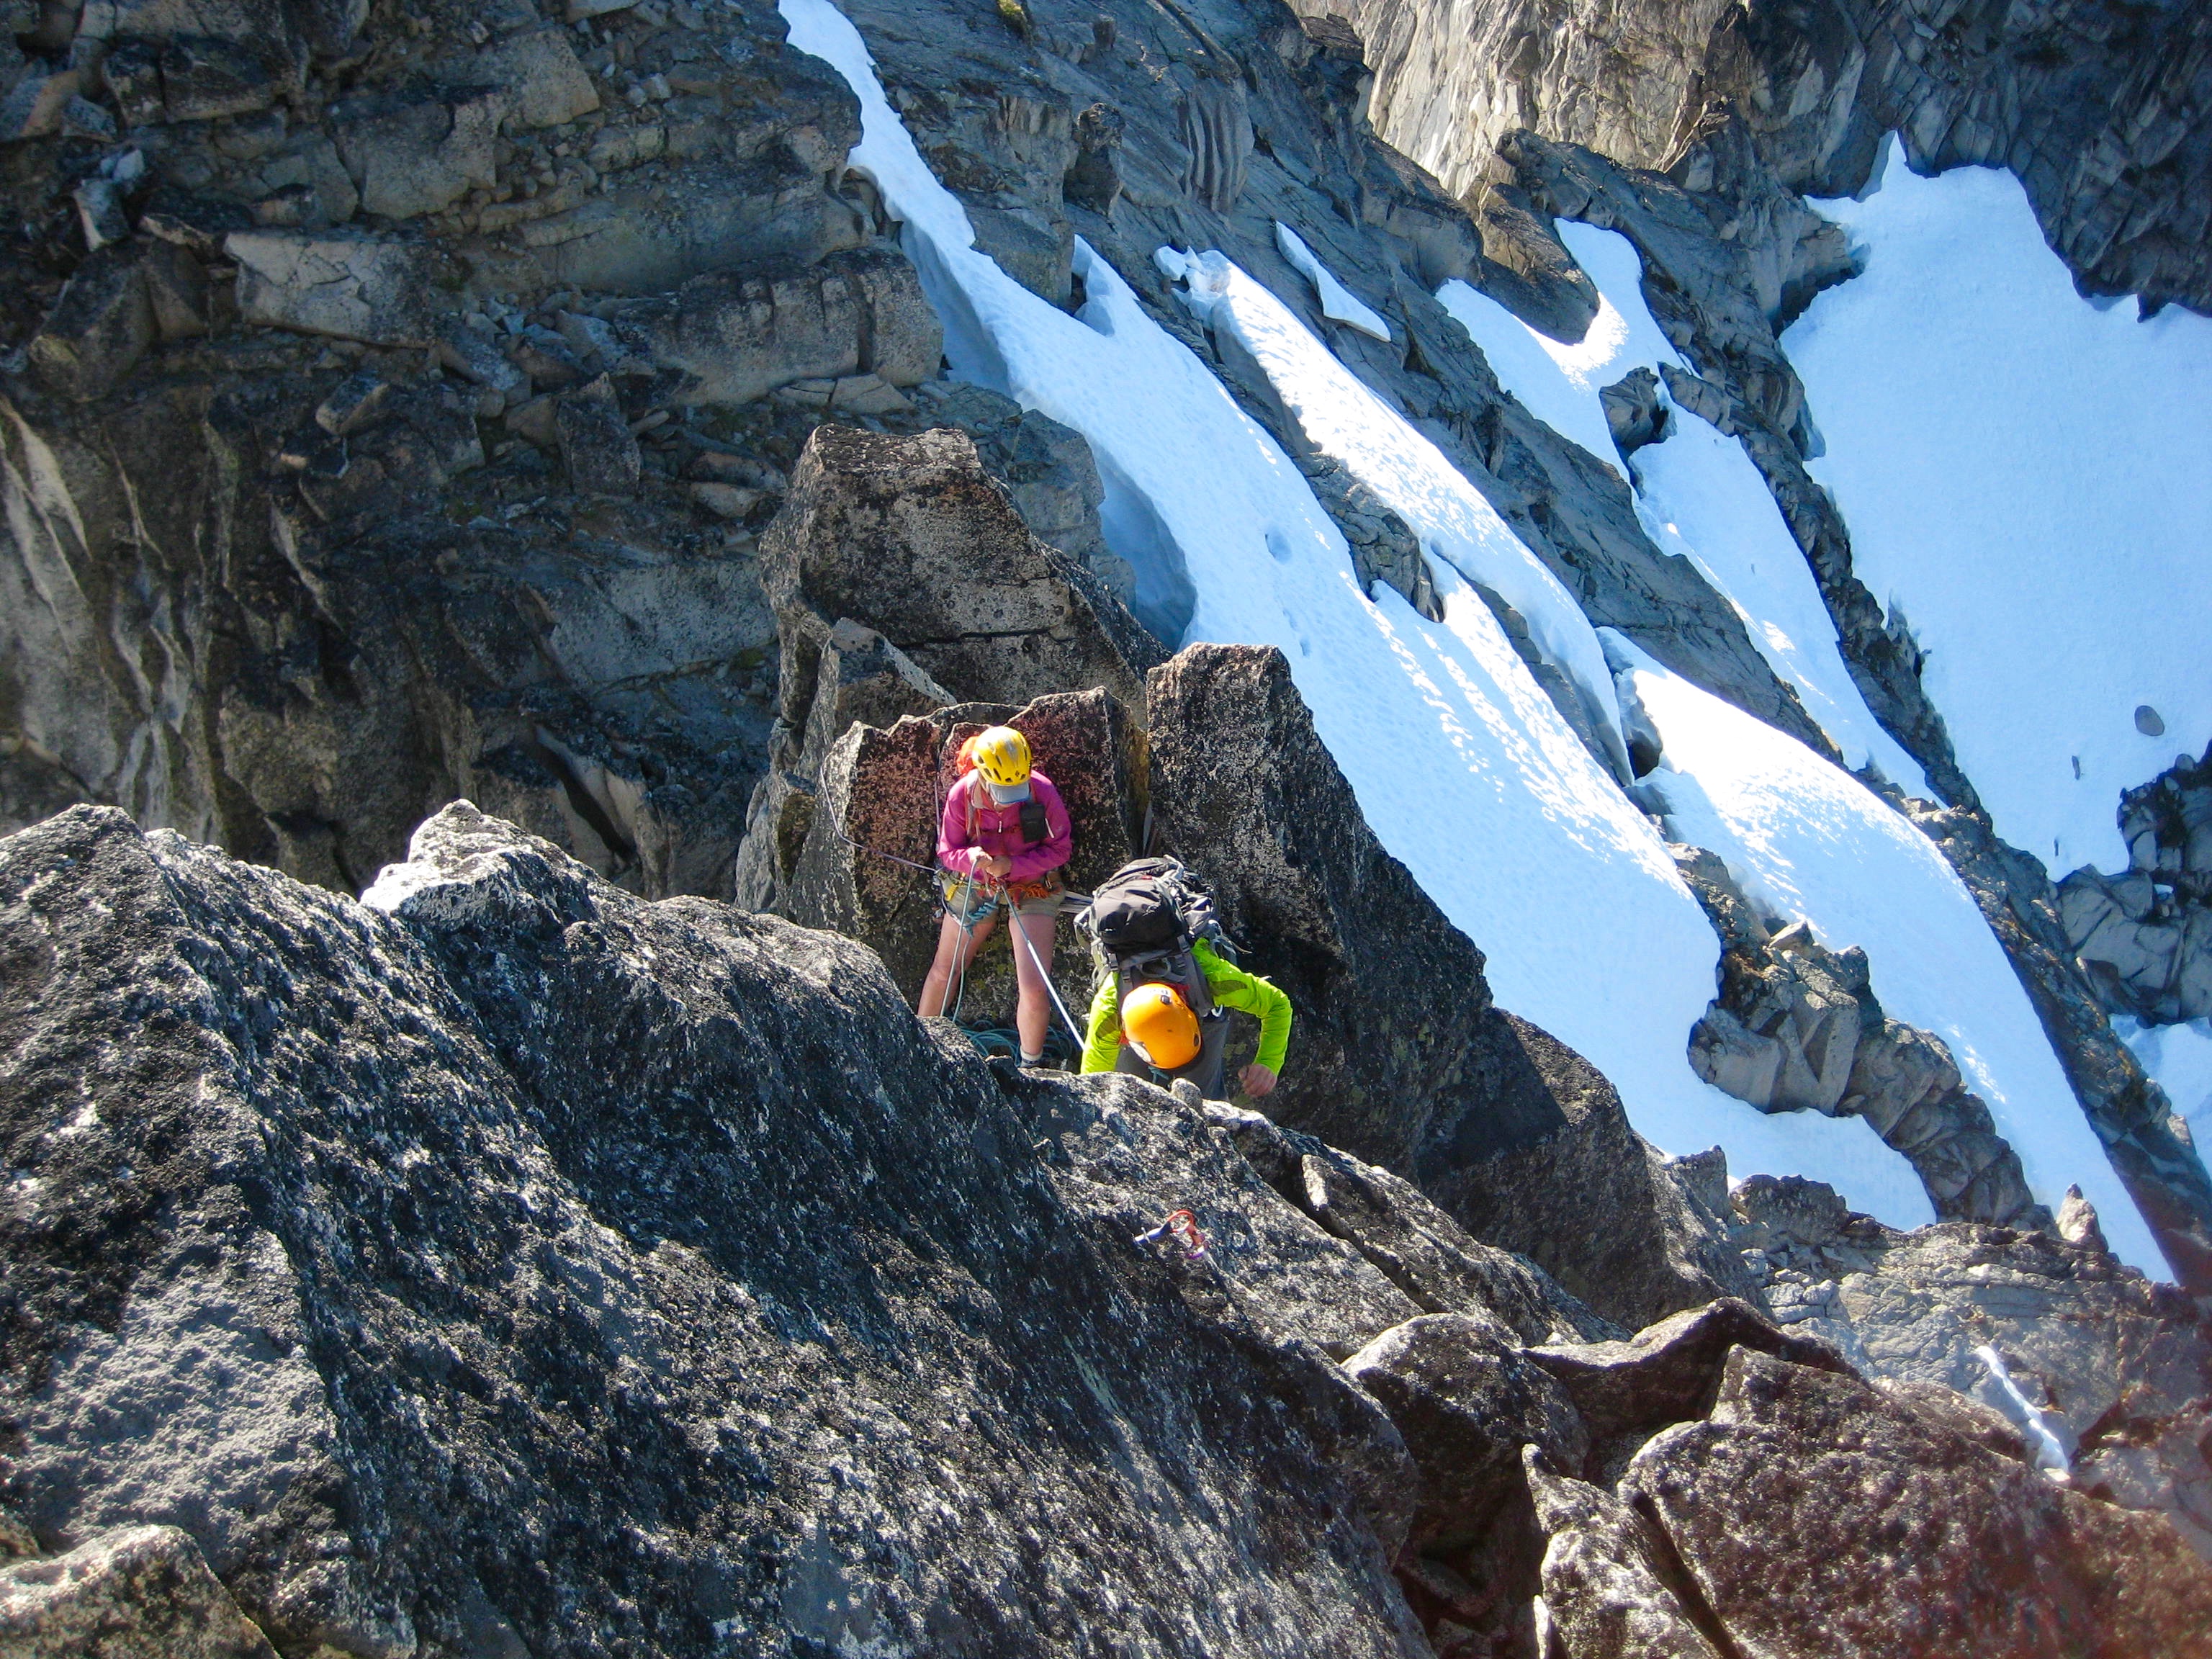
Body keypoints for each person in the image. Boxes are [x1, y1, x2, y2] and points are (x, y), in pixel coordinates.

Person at [917, 725, 1073, 1066]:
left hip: (1033, 883)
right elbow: (947, 851)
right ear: (983, 775)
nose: (1011, 795)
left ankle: (1030, 1066)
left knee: (1033, 986)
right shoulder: (963, 795)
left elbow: (1060, 850)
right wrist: (971, 859)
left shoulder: (1040, 791)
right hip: (975, 882)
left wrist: (1012, 865)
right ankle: (919, 1046)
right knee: (946, 968)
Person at [1079, 932, 1290, 1101]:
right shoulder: (1109, 1011)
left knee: (1206, 1102)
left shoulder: (1215, 980)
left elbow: (1277, 1005)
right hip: (1137, 1026)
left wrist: (1268, 1063)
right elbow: (1093, 1087)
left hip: (1202, 1007)